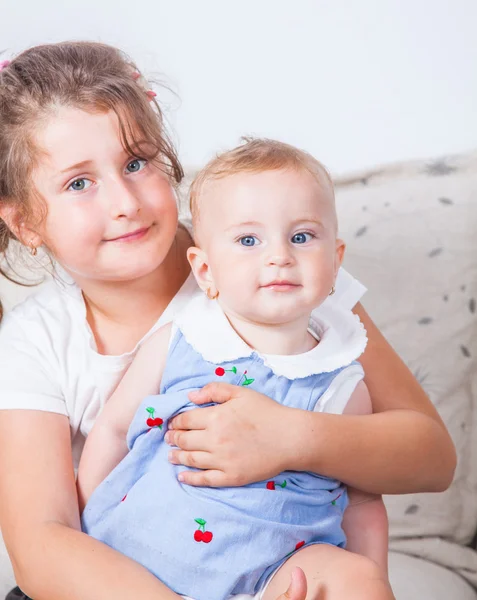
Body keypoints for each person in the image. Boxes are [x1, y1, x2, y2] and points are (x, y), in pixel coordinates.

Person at [0, 41, 455, 600]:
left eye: (137, 162)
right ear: (24, 223)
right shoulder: (34, 343)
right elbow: (41, 541)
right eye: (78, 183)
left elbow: (431, 458)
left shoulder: (276, 264)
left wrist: (293, 437)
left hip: (271, 565)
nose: (124, 201)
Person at [78, 138, 394, 600]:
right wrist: (89, 525)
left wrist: (371, 576)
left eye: (301, 237)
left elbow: (363, 499)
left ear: (335, 261)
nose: (279, 256)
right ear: (205, 271)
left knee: (359, 583)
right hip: (143, 556)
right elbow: (111, 430)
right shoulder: (182, 342)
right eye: (249, 240)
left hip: (276, 571)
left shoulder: (343, 381)